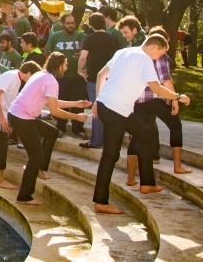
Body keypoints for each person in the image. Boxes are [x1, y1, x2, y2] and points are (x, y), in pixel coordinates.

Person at [92, 34, 191, 215]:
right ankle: (101, 201)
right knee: (110, 155)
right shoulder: (145, 60)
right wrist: (178, 97)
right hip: (116, 111)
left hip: (109, 107)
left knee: (146, 134)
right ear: (154, 47)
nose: (159, 58)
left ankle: (147, 184)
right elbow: (157, 88)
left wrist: (97, 100)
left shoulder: (123, 52)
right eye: (160, 53)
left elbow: (101, 74)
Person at [7, 52, 90, 205]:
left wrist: (75, 104)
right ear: (59, 65)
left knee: (52, 132)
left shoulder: (41, 75)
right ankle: (24, 196)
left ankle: (40, 168)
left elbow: (50, 101)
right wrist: (77, 117)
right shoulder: (51, 81)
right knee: (35, 155)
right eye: (65, 64)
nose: (66, 68)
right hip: (21, 118)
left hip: (19, 115)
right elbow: (54, 111)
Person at [0, 61, 41, 189]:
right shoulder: (10, 76)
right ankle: (0, 179)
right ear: (29, 73)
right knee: (1, 147)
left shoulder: (17, 79)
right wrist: (2, 118)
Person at [78, 13, 122, 148]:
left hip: (93, 79)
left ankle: (96, 141)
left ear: (91, 25)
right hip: (109, 78)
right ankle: (108, 139)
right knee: (108, 108)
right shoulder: (111, 38)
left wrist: (80, 70)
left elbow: (83, 57)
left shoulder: (89, 38)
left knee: (96, 109)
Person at [45, 14, 87, 138]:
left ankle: (78, 128)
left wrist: (82, 56)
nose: (71, 25)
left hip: (78, 77)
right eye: (68, 23)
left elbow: (88, 53)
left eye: (73, 23)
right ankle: (60, 126)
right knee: (60, 101)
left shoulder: (82, 36)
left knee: (78, 102)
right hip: (60, 77)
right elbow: (48, 53)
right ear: (63, 24)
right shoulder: (55, 36)